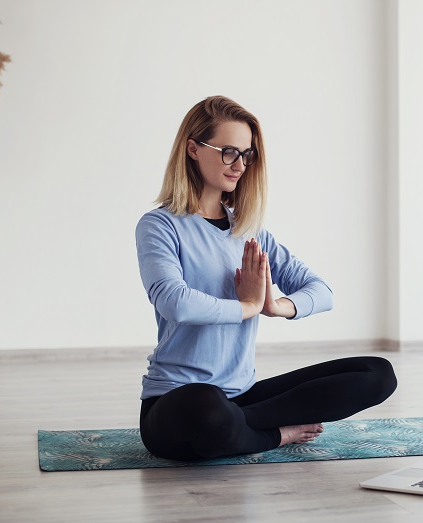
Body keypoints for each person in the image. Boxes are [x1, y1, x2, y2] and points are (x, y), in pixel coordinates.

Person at [135, 95, 397, 461]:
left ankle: (239, 427)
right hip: (178, 401)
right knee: (205, 404)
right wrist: (246, 307)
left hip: (240, 394)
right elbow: (174, 302)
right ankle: (273, 435)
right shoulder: (160, 226)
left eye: (247, 154)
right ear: (193, 149)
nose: (239, 164)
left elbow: (323, 292)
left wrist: (276, 306)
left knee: (378, 373)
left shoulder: (250, 231)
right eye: (229, 151)